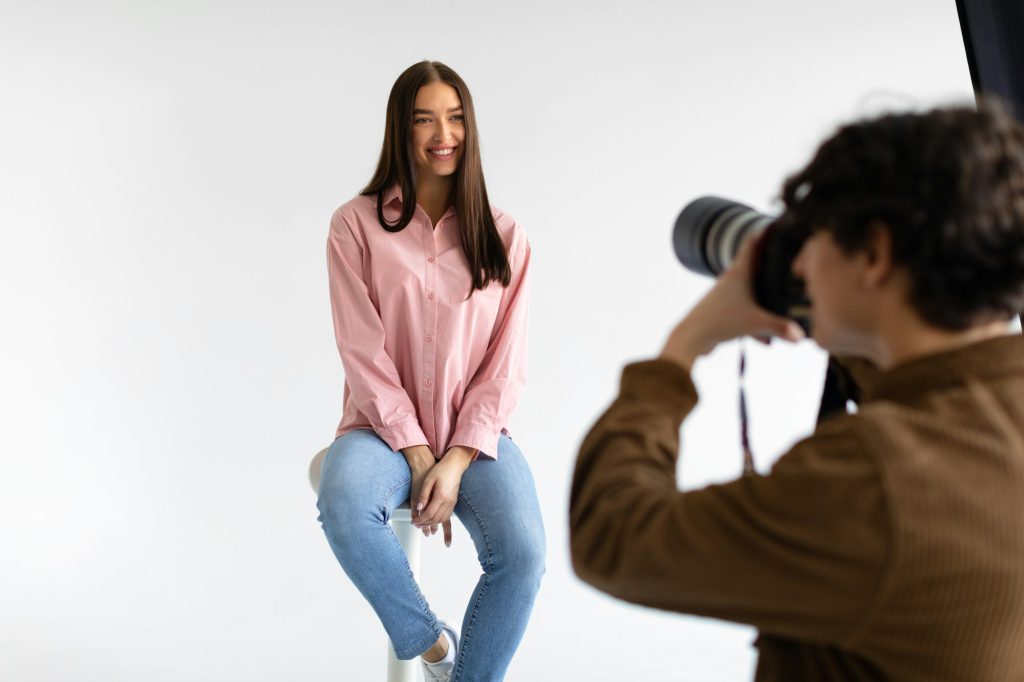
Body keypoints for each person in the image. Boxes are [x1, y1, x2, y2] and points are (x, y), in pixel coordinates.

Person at [570, 102, 1024, 681]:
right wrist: (859, 333)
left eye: (812, 240)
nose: (801, 264)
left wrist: (685, 346)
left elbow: (612, 534)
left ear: (876, 254)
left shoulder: (873, 478)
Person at [317, 61, 544, 682]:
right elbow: (360, 350)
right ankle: (434, 647)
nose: (443, 133)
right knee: (343, 504)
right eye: (424, 119)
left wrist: (458, 457)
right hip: (379, 432)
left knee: (523, 555)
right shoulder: (354, 225)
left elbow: (505, 364)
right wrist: (418, 454)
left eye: (455, 117)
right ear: (401, 129)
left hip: (476, 439)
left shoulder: (506, 236)